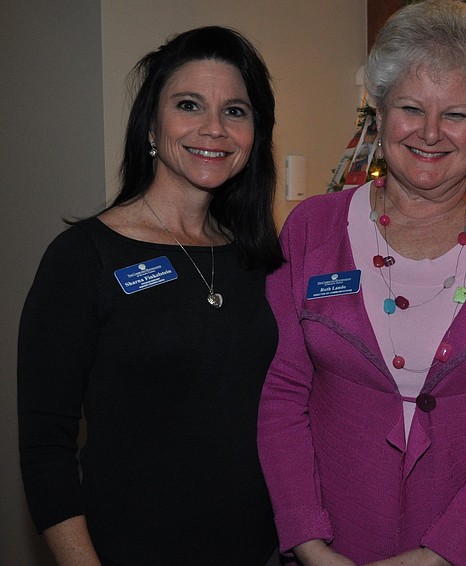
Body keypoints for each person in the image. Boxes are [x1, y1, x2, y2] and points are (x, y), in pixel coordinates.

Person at [257, 2, 466, 565]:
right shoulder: (313, 228)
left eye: (455, 114)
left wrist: (444, 553)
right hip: (332, 547)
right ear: (378, 115)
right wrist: (308, 542)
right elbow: (282, 394)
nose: (430, 133)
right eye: (410, 108)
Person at [18, 26, 283, 565]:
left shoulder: (262, 260)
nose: (214, 128)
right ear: (152, 126)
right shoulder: (82, 258)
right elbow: (46, 447)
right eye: (189, 105)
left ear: (255, 133)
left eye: (236, 111)